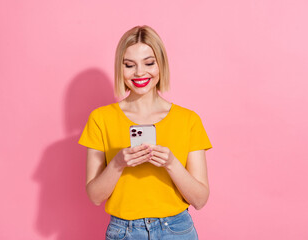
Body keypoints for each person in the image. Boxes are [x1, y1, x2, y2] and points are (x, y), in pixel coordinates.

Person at [78, 25, 212, 240]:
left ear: (161, 65)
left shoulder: (188, 120)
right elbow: (95, 196)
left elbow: (200, 199)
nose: (140, 72)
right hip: (124, 232)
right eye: (129, 65)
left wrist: (171, 163)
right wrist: (118, 163)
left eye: (149, 63)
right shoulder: (100, 119)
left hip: (176, 229)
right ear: (119, 69)